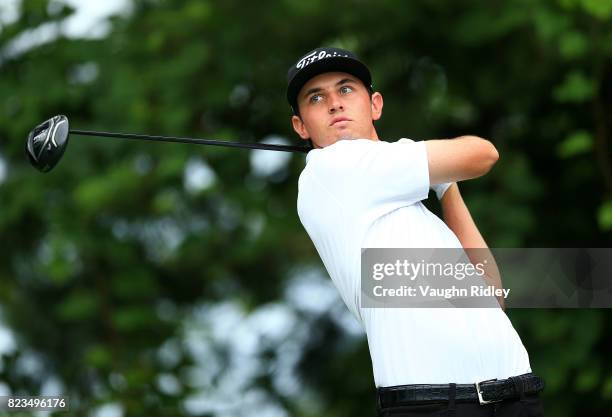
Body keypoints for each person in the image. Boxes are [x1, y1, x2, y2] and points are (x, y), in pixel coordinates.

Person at [286, 47, 545, 417]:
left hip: (516, 391)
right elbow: (483, 153)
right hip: (434, 404)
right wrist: (426, 159)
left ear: (375, 105)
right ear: (301, 126)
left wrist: (445, 186)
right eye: (316, 97)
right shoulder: (332, 168)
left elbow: (490, 296)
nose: (334, 104)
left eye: (346, 90)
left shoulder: (405, 204)